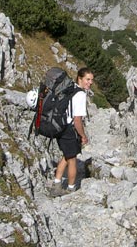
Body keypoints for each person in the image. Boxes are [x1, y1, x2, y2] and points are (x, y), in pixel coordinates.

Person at [49, 67, 93, 197]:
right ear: (80, 78)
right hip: (69, 129)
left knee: (66, 156)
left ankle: (56, 184)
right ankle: (71, 188)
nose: (90, 83)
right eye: (87, 79)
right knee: (72, 159)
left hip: (59, 126)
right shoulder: (80, 94)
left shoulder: (70, 88)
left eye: (91, 80)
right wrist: (83, 136)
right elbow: (77, 120)